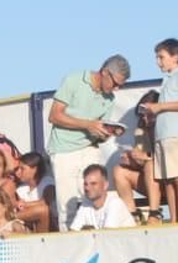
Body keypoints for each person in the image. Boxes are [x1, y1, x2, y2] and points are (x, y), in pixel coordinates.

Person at [46, 56, 129, 227]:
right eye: (115, 83)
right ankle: (69, 241)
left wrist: (107, 133)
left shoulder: (110, 98)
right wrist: (88, 124)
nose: (117, 89)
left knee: (95, 199)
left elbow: (99, 129)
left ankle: (97, 238)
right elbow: (54, 116)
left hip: (90, 148)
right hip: (64, 150)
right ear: (104, 72)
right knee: (67, 207)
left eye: (121, 85)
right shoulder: (74, 80)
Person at [141, 38, 178, 224]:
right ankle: (174, 220)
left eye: (161, 57)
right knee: (168, 180)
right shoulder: (167, 79)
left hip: (174, 134)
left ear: (175, 57)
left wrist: (159, 106)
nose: (158, 62)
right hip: (162, 135)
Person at [111, 90, 163, 223]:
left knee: (150, 165)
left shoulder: (167, 129)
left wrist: (146, 156)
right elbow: (143, 161)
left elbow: (167, 158)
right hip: (151, 181)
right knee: (119, 170)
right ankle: (132, 217)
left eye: (148, 114)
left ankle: (154, 214)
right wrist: (132, 160)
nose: (144, 118)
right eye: (142, 114)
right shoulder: (141, 131)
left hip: (169, 181)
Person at [68, 165, 136, 231]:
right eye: (85, 184)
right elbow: (73, 232)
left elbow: (106, 235)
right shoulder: (86, 204)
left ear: (105, 185)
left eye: (93, 184)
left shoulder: (115, 203)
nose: (87, 188)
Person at [12, 151, 57, 232]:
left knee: (43, 210)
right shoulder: (21, 189)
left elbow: (47, 201)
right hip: (30, 226)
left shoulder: (48, 182)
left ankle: (8, 218)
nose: (18, 172)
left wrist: (26, 204)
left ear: (34, 169)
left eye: (22, 169)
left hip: (50, 226)